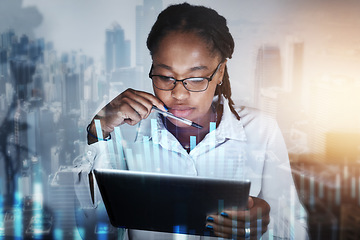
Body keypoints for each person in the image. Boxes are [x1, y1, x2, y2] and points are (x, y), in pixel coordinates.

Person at [74, 3, 308, 240]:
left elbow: (296, 231)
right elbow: (94, 229)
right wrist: (98, 131)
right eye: (165, 77)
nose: (179, 94)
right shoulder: (122, 131)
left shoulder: (261, 129)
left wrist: (266, 225)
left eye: (195, 79)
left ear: (219, 72)